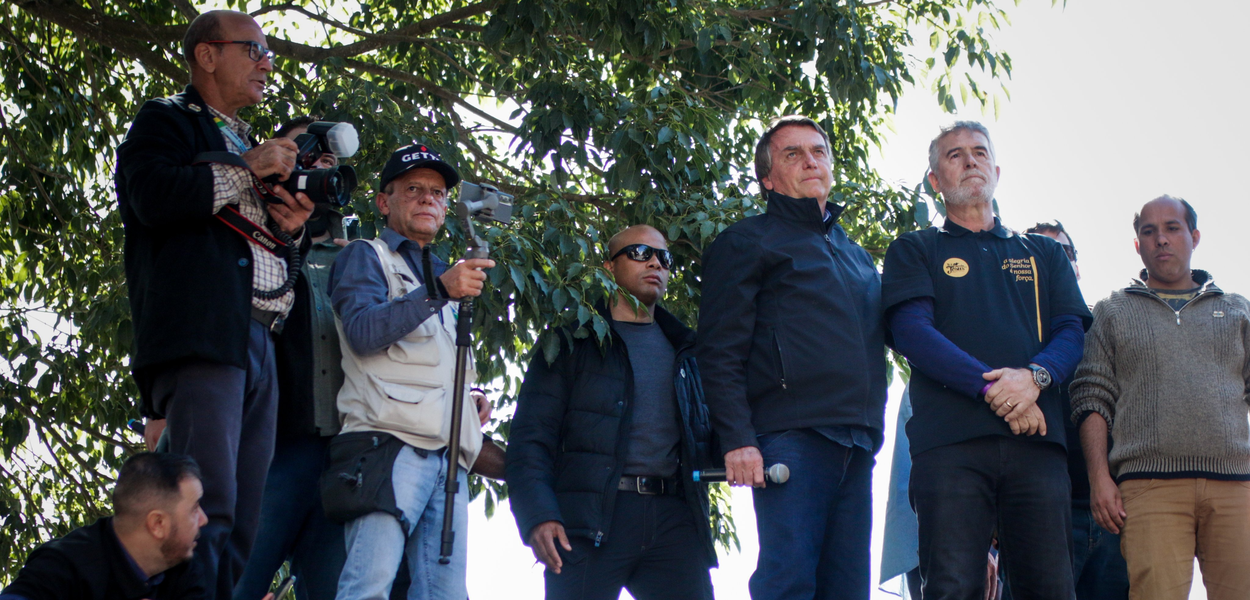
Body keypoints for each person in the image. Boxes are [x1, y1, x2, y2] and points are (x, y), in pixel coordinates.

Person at [114, 10, 314, 600]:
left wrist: (295, 227)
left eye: (268, 52)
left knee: (243, 518)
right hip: (204, 336)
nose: (267, 63)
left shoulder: (242, 139)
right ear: (207, 55)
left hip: (258, 338)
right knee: (206, 504)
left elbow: (266, 246)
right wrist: (247, 167)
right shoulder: (165, 118)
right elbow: (150, 196)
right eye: (253, 49)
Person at [881, 121, 1090, 599]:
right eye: (954, 155)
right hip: (949, 449)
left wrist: (1034, 379)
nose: (970, 160)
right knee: (953, 587)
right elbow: (914, 333)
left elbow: (1069, 331)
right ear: (935, 180)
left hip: (1037, 446)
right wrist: (998, 388)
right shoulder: (915, 248)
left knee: (1051, 588)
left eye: (979, 152)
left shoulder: (1042, 253)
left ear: (996, 170)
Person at [697, 115, 888, 600]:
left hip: (857, 441)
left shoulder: (857, 255)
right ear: (767, 178)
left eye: (818, 151)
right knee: (789, 585)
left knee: (847, 591)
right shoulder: (746, 241)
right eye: (792, 154)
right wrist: (738, 438)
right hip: (790, 439)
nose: (810, 161)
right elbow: (718, 350)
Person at [507, 225, 719, 600]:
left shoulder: (688, 351)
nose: (655, 262)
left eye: (664, 257)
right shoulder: (572, 341)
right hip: (589, 519)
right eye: (639, 253)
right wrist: (538, 514)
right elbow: (530, 437)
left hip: (675, 519)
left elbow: (713, 431)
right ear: (608, 267)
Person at [324, 142, 494, 600]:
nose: (428, 199)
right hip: (385, 446)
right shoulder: (366, 254)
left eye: (438, 193)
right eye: (414, 189)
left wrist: (469, 395)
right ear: (384, 201)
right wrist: (439, 289)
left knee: (445, 595)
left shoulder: (446, 273)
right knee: (368, 589)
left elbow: (430, 359)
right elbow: (361, 332)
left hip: (449, 458)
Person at [1071, 196, 1250, 600]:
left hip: (1236, 486)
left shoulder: (1236, 310)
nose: (1161, 240)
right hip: (1149, 488)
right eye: (1148, 232)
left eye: (1172, 228)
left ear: (1195, 237)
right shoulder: (1113, 311)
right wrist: (1100, 478)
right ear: (1138, 245)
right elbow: (1091, 397)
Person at [232, 116, 348, 600]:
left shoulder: (360, 254)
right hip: (271, 446)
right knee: (235, 578)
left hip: (343, 454)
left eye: (329, 165)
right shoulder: (242, 230)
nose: (320, 170)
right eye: (308, 158)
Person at [1024, 220, 1128, 600]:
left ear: (1077, 265)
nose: (1054, 260)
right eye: (1038, 253)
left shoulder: (1109, 328)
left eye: (1063, 252)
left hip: (1117, 516)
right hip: (1039, 518)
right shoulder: (1007, 336)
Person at [0, 453, 228, 600]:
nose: (204, 519)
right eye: (194, 509)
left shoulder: (183, 566)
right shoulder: (65, 564)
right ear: (158, 524)